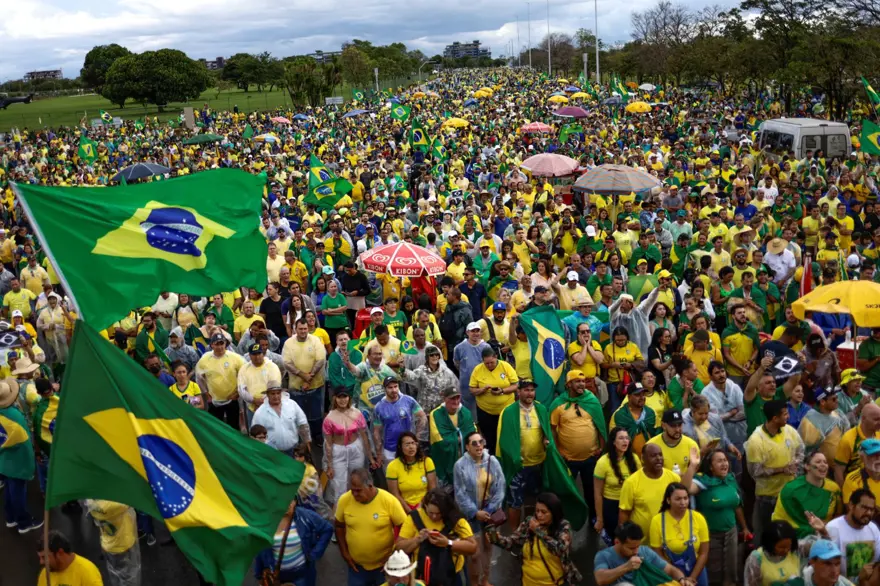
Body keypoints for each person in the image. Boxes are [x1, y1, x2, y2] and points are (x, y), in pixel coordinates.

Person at [486, 492, 582, 586]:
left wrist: (538, 531)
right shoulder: (529, 522)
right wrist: (497, 540)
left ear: (553, 512)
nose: (539, 515)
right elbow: (513, 542)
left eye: (544, 512)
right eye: (537, 511)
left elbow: (560, 549)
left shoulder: (563, 526)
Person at [746, 399, 806, 543]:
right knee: (765, 533)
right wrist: (782, 470)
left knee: (788, 531)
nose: (788, 417)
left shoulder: (790, 431)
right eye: (785, 414)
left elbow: (801, 451)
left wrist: (794, 464)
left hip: (789, 493)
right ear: (774, 418)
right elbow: (755, 471)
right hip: (767, 497)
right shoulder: (756, 440)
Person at [335, 468, 407, 586]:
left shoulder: (388, 500)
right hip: (356, 568)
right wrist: (344, 553)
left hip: (384, 568)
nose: (354, 494)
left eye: (358, 490)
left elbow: (404, 527)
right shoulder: (344, 500)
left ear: (370, 486)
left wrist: (394, 554)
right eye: (352, 490)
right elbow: (339, 526)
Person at [395, 488, 478, 586]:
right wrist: (417, 540)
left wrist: (448, 543)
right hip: (422, 577)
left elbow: (473, 547)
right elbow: (399, 548)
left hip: (452, 576)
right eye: (431, 513)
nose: (434, 517)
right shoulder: (414, 517)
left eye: (438, 514)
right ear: (425, 506)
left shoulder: (455, 518)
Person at [453, 431, 505, 586]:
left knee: (488, 548)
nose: (478, 446)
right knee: (474, 553)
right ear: (467, 447)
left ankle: (485, 581)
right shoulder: (460, 465)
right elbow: (460, 494)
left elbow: (500, 488)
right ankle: (474, 583)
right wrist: (475, 513)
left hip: (490, 514)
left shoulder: (492, 461)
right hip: (471, 515)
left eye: (481, 442)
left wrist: (488, 511)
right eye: (474, 443)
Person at [691, 449, 749, 586]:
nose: (724, 464)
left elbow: (737, 506)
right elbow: (687, 488)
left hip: (731, 533)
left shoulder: (730, 479)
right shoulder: (703, 482)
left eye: (725, 460)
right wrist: (693, 466)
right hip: (711, 535)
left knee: (731, 572)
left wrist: (745, 528)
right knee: (714, 574)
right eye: (719, 461)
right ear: (711, 467)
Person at [619, 442, 697, 541]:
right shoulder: (631, 482)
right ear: (643, 458)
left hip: (669, 540)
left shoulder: (674, 478)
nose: (659, 458)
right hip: (642, 542)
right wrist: (624, 538)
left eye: (660, 455)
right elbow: (624, 513)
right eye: (653, 455)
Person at [253, 498, 333, 586]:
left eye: (291, 499)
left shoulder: (304, 516)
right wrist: (259, 574)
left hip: (301, 574)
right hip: (276, 577)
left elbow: (327, 528)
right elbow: (259, 548)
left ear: (295, 501)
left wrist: (315, 554)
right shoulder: (265, 521)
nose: (287, 503)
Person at [0, 377, 42, 533]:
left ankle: (10, 517)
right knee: (18, 491)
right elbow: (24, 442)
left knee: (9, 489)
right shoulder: (14, 416)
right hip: (17, 460)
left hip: (4, 458)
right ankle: (24, 522)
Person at [594, 521, 692, 586]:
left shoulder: (645, 551)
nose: (636, 551)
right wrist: (627, 567)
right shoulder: (604, 555)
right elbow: (600, 579)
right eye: (631, 548)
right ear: (617, 542)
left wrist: (682, 579)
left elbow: (670, 570)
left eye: (638, 546)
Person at [649, 482, 710, 586]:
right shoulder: (657, 521)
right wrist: (677, 575)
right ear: (668, 500)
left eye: (685, 498)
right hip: (670, 572)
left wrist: (692, 578)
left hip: (697, 571)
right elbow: (657, 553)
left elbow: (704, 553)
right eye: (678, 499)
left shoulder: (698, 518)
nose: (683, 502)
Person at [772, 451, 842, 538]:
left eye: (825, 462)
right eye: (818, 462)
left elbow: (838, 515)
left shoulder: (834, 488)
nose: (823, 465)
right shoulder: (790, 490)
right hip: (798, 538)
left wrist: (825, 529)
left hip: (826, 535)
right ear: (807, 466)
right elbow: (781, 520)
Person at [283, 318, 328, 445]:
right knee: (298, 414)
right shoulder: (288, 343)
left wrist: (309, 378)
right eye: (300, 329)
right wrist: (303, 375)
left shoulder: (315, 340)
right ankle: (301, 440)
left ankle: (317, 436)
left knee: (316, 414)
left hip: (316, 385)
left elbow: (321, 360)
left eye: (305, 329)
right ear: (295, 329)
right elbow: (286, 363)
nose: (303, 331)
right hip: (296, 387)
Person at [593, 427, 642, 543]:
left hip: (631, 503)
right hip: (612, 505)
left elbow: (640, 482)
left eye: (627, 438)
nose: (625, 441)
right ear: (614, 442)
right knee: (616, 538)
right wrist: (599, 519)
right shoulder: (603, 462)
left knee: (631, 538)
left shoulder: (634, 459)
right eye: (621, 438)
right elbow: (597, 494)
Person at [468, 345, 518, 456]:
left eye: (492, 362)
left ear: (496, 357)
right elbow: (472, 390)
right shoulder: (478, 369)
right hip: (486, 411)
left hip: (506, 410)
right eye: (487, 363)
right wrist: (482, 389)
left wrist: (502, 391)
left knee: (507, 437)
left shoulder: (506, 366)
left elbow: (515, 385)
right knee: (490, 439)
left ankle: (507, 457)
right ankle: (492, 458)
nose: (489, 365)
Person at [826, 489, 880, 583]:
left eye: (872, 509)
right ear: (851, 505)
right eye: (864, 507)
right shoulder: (833, 528)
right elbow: (827, 568)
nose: (868, 513)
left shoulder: (873, 529)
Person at [373, 377, 427, 470]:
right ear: (384, 389)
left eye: (395, 386)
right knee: (391, 476)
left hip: (408, 447)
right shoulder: (379, 407)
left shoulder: (408, 400)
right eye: (390, 387)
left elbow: (422, 416)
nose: (394, 390)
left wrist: (417, 437)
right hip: (389, 450)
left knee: (409, 474)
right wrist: (379, 453)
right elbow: (376, 432)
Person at [195, 332, 245, 429]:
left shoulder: (235, 357)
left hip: (232, 399)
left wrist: (238, 392)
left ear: (225, 344)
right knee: (216, 428)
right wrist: (206, 393)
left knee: (234, 427)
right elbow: (199, 377)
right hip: (214, 401)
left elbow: (244, 374)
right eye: (217, 344)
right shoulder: (205, 359)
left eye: (222, 343)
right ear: (212, 345)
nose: (220, 347)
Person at [84, 500, 141, 586]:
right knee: (128, 576)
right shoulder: (114, 505)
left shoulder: (91, 501)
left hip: (107, 544)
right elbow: (131, 499)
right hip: (123, 544)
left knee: (115, 573)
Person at [428, 387, 476, 487]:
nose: (456, 401)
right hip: (445, 457)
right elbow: (439, 439)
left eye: (458, 398)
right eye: (452, 398)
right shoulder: (436, 414)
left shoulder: (465, 412)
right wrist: (460, 439)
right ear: (444, 399)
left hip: (464, 455)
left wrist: (459, 439)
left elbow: (472, 432)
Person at [252, 383, 311, 456]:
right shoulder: (260, 412)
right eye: (273, 394)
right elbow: (255, 435)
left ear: (281, 393)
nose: (276, 396)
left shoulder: (292, 405)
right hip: (272, 453)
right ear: (267, 395)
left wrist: (307, 443)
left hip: (294, 450)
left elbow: (302, 424)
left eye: (278, 393)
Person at [386, 432, 437, 511]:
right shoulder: (392, 466)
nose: (411, 447)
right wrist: (410, 511)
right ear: (400, 447)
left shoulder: (427, 462)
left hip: (425, 505)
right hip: (403, 507)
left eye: (413, 443)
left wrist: (421, 506)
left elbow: (432, 489)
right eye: (407, 444)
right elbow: (395, 494)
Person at [743, 521, 803, 586]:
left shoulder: (795, 550)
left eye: (788, 546)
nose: (786, 550)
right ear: (770, 545)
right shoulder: (756, 559)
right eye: (781, 547)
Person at [800, 387, 850, 464]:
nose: (837, 401)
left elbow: (847, 432)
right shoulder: (810, 421)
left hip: (843, 462)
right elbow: (805, 450)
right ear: (822, 402)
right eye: (833, 399)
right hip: (822, 467)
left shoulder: (838, 412)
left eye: (837, 398)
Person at [238, 342, 283, 427]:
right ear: (249, 355)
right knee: (254, 432)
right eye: (254, 354)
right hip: (252, 408)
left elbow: (275, 387)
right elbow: (241, 389)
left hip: (270, 407)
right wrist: (254, 401)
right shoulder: (244, 369)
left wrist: (263, 402)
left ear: (263, 354)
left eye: (259, 353)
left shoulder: (272, 366)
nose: (257, 356)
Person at [610, 382, 660, 457]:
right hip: (628, 459)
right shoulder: (619, 415)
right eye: (637, 395)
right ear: (629, 397)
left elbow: (658, 435)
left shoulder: (651, 413)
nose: (642, 397)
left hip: (650, 458)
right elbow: (613, 440)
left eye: (643, 394)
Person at [835, 402, 880, 486]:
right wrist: (844, 490)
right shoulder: (848, 439)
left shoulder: (878, 433)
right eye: (876, 419)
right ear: (863, 419)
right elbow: (839, 470)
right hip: (857, 485)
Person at [38, 530, 104, 586]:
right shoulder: (45, 573)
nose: (41, 562)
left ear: (60, 553)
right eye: (40, 557)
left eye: (44, 557)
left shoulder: (87, 572)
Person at [647, 409, 701, 474]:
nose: (677, 430)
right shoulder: (651, 446)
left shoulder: (691, 445)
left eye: (679, 425)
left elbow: (695, 470)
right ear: (663, 425)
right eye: (673, 426)